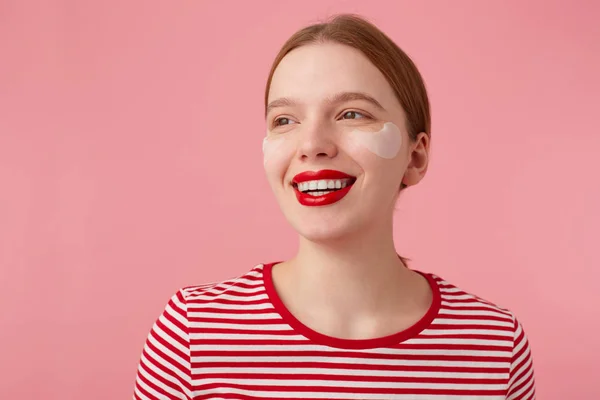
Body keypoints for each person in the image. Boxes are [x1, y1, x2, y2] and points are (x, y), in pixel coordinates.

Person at [132, 14, 536, 400]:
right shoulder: (193, 335)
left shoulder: (495, 346)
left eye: (351, 114)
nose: (311, 145)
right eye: (285, 121)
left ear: (415, 158)